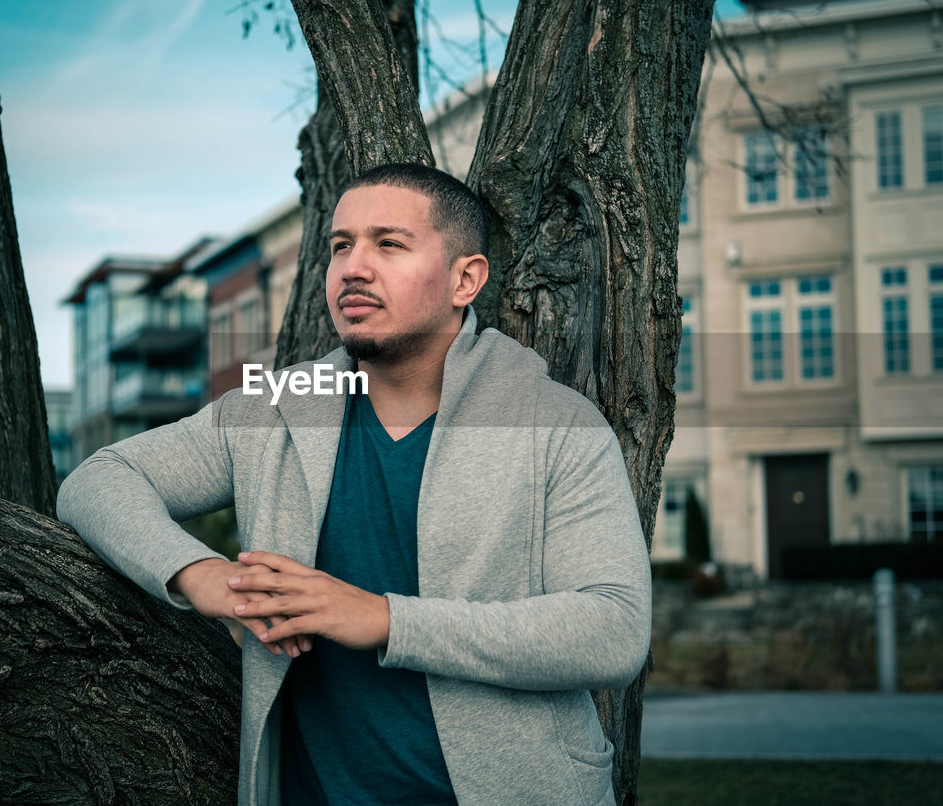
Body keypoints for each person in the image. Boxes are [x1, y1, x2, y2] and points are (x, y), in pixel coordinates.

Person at [57, 162, 652, 805]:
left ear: (465, 279)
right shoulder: (276, 407)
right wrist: (203, 576)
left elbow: (613, 630)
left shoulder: (554, 421)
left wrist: (383, 619)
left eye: (389, 244)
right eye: (341, 245)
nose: (353, 267)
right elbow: (98, 479)